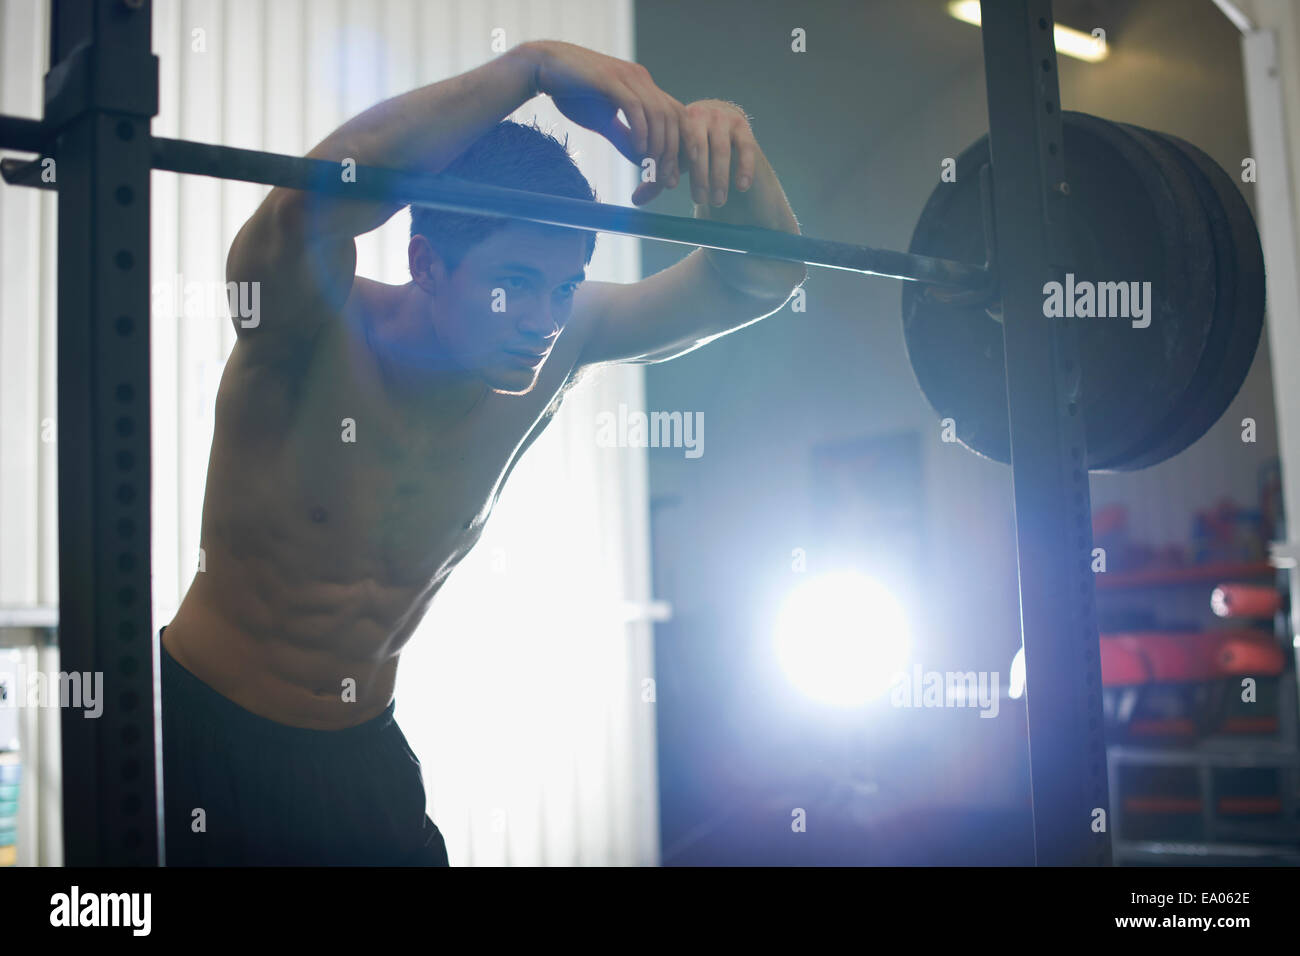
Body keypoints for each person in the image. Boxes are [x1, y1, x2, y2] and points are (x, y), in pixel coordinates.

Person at [159, 39, 805, 865]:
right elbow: (310, 204)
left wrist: (729, 148)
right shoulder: (308, 324)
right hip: (201, 738)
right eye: (517, 286)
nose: (544, 317)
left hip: (358, 755)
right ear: (427, 264)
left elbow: (764, 278)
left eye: (565, 285)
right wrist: (528, 70)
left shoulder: (566, 340)